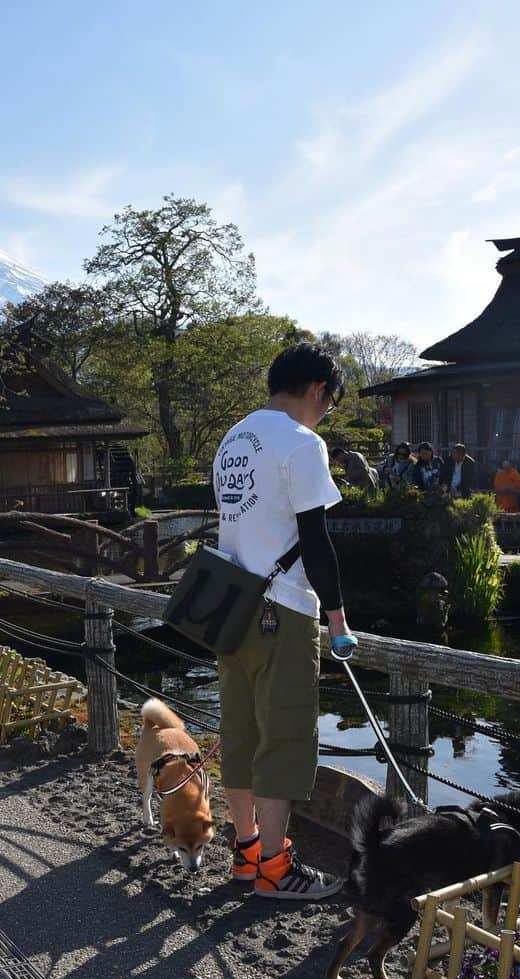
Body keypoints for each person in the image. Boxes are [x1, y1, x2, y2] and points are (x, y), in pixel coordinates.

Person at [213, 341, 350, 901]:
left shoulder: (233, 438)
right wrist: (338, 621)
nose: (326, 412)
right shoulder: (302, 443)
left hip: (230, 604)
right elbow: (316, 542)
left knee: (241, 734)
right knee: (285, 736)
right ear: (317, 388)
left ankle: (246, 854)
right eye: (330, 402)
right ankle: (276, 866)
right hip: (282, 609)